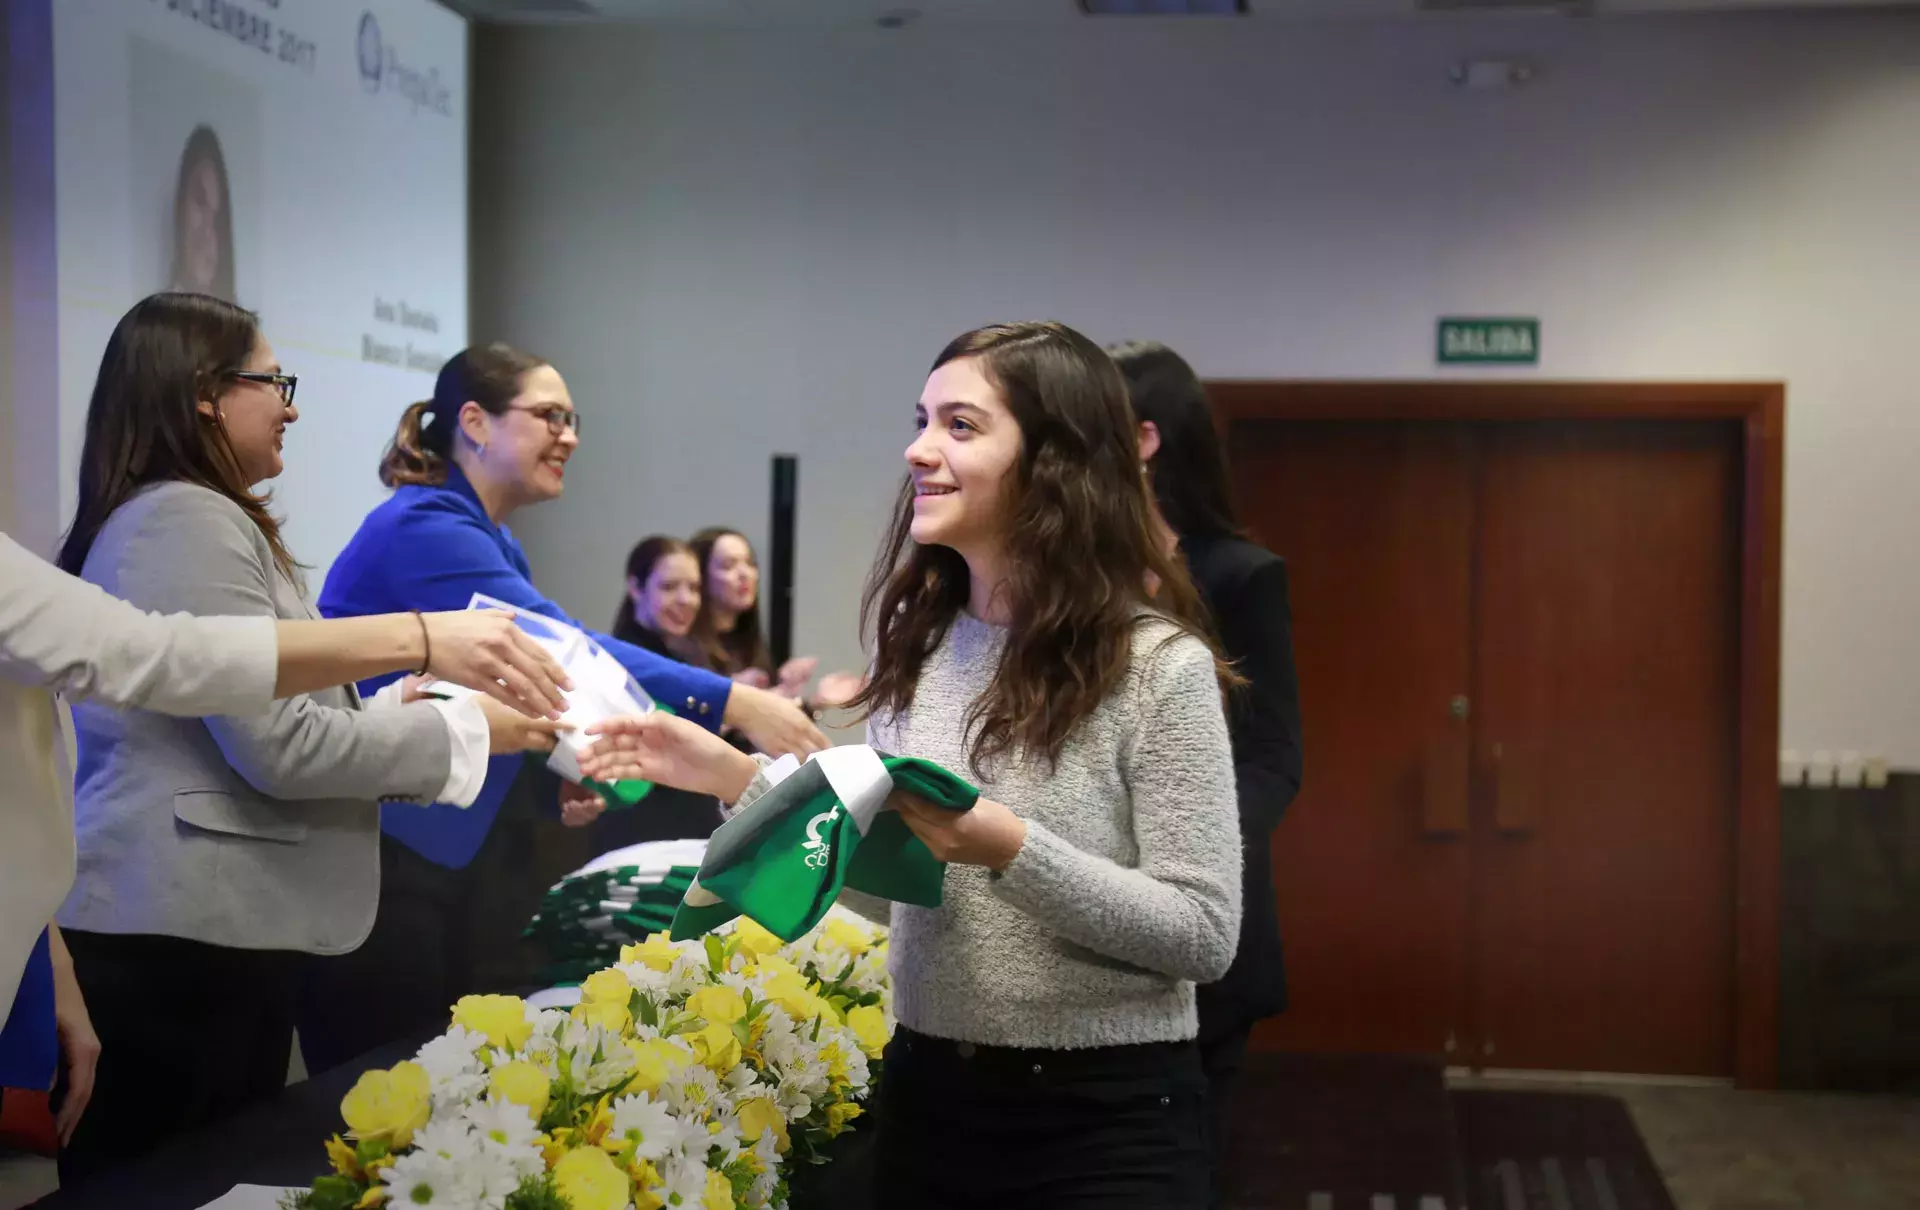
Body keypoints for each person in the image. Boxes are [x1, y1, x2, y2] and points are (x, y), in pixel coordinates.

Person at [588, 321, 1244, 1209]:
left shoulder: (1161, 670)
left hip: (1106, 1121)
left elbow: (1202, 933)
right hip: (929, 1098)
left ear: (1055, 460)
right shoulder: (923, 647)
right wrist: (737, 780)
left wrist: (1011, 847)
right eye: (922, 420)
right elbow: (897, 892)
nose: (918, 450)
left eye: (960, 427)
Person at [46, 293, 567, 1180]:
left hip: (207, 942)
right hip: (177, 950)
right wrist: (460, 731)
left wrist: (392, 713)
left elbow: (250, 729)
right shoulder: (186, 516)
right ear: (206, 392)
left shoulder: (204, 516)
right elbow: (278, 749)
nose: (290, 405)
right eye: (272, 381)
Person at [304, 344, 826, 1074]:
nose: (570, 436)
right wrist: (737, 699)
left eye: (573, 419)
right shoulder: (424, 526)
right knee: (379, 1093)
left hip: (430, 859)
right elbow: (559, 646)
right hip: (378, 864)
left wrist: (554, 787)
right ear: (477, 423)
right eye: (550, 416)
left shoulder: (493, 538)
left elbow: (507, 691)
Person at [0, 531, 570, 1147]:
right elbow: (160, 655)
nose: (294, 424)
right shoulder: (182, 517)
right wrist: (422, 640)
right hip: (177, 942)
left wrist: (48, 951)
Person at [1111, 339, 1304, 1207]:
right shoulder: (1075, 573)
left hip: (1202, 929)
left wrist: (1189, 842)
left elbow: (1274, 757)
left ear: (1144, 439)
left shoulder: (1239, 575)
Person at [591, 535, 724, 845]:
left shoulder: (682, 657)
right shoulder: (619, 665)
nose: (686, 600)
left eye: (693, 588)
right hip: (642, 835)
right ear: (636, 587)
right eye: (669, 587)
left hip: (683, 829)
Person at [688, 526, 863, 714]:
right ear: (699, 576)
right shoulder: (686, 648)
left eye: (750, 563)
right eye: (728, 565)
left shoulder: (749, 644)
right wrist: (733, 692)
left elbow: (758, 727)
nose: (744, 574)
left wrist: (810, 701)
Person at [167, 126, 234, 302]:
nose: (207, 231)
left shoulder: (242, 327)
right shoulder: (150, 323)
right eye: (200, 201)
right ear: (181, 208)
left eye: (217, 218)